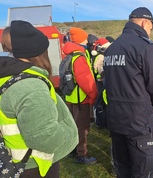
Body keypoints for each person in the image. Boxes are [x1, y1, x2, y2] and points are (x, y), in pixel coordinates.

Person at [0, 20, 78, 177]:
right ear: (41, 53)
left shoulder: (7, 76)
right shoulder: (31, 87)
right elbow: (44, 138)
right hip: (32, 166)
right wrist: (71, 133)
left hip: (12, 163)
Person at [103, 7, 153, 178]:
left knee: (122, 168)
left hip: (116, 119)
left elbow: (107, 83)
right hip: (139, 121)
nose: (150, 33)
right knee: (143, 170)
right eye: (151, 28)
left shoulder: (111, 48)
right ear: (145, 22)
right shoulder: (144, 47)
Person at [62, 27, 98, 164]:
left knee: (72, 125)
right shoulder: (79, 57)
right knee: (82, 128)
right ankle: (81, 154)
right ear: (81, 39)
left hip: (71, 97)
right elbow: (86, 81)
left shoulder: (69, 55)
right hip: (81, 99)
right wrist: (94, 95)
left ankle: (71, 149)